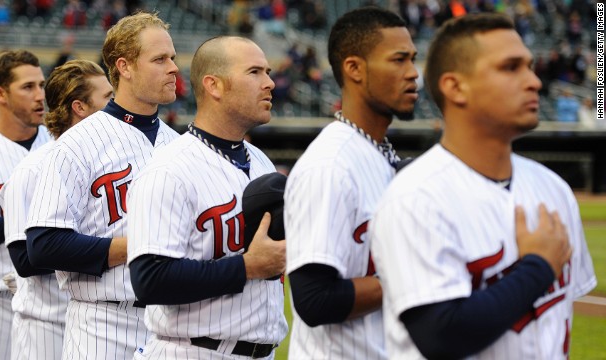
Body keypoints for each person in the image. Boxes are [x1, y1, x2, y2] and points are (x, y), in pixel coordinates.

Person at [370, 13, 596, 359]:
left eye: (530, 67)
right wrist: (537, 266)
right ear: (455, 86)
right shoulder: (415, 197)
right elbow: (440, 336)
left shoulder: (553, 190)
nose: (534, 81)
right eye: (510, 68)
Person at [24, 12, 180, 359]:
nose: (173, 67)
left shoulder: (179, 146)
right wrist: (137, 245)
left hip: (172, 326)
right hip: (104, 323)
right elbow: (43, 244)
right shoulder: (77, 143)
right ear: (124, 67)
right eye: (159, 59)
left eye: (172, 57)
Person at [127, 35, 287, 359]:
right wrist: (248, 266)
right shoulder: (169, 170)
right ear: (214, 86)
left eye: (268, 72)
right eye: (255, 72)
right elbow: (150, 279)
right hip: (193, 350)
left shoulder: (260, 161)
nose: (269, 83)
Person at [283, 7, 418, 359]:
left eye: (413, 60)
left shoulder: (377, 152)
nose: (413, 74)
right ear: (354, 68)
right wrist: (420, 272)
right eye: (399, 60)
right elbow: (315, 300)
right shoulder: (330, 165)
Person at [0, 59, 113, 360]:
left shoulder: (104, 162)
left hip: (92, 320)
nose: (117, 106)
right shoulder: (33, 168)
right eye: (109, 99)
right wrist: (104, 248)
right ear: (80, 107)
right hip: (45, 325)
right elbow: (24, 259)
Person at [0, 50, 51, 360]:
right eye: (28, 87)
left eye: (42, 85)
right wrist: (25, 222)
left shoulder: (59, 145)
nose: (40, 95)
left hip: (49, 302)